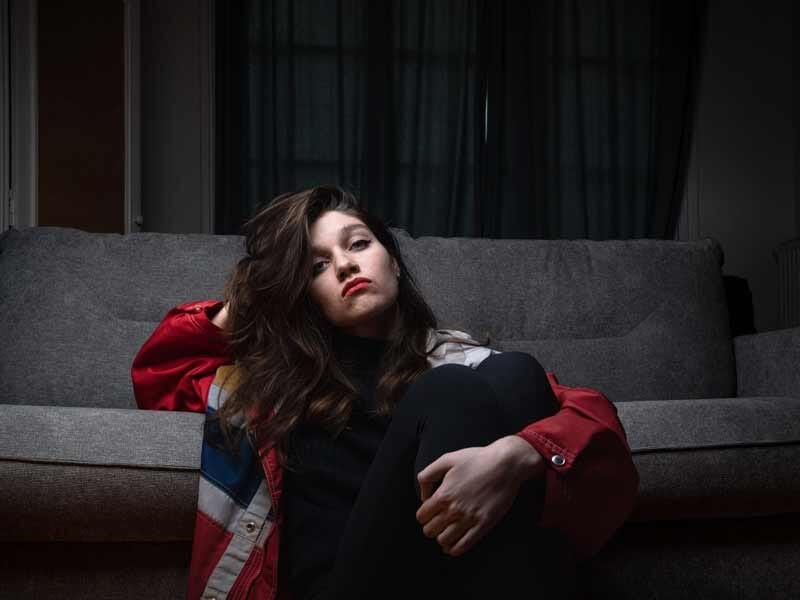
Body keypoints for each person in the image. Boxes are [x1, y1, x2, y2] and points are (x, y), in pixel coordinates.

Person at [131, 184, 639, 600]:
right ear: (301, 294)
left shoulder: (461, 363)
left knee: (516, 374)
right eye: (317, 266)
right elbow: (161, 368)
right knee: (455, 391)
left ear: (392, 261)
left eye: (358, 244)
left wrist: (520, 455)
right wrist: (263, 294)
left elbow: (595, 427)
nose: (346, 266)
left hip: (447, 579)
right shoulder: (273, 385)